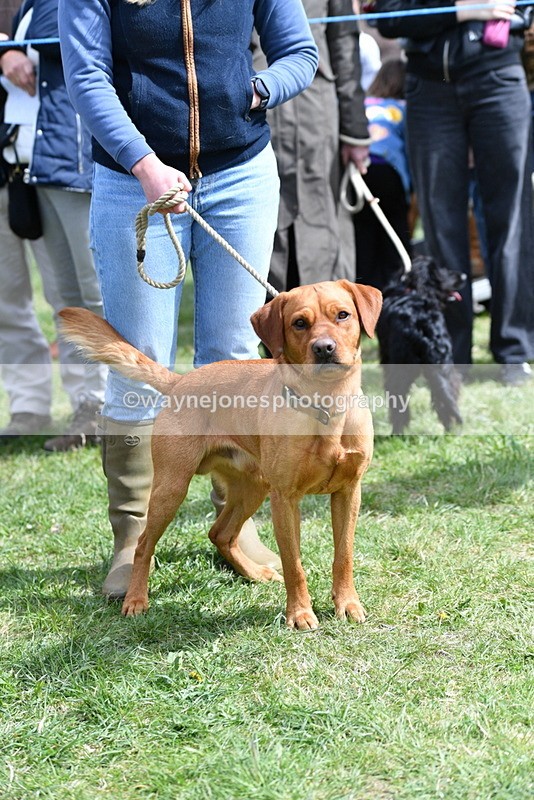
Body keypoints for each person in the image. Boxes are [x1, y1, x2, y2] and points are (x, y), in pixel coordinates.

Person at [58, 0, 319, 598]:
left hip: (242, 174)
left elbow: (301, 55)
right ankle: (131, 537)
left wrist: (254, 90)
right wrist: (143, 162)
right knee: (139, 364)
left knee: (232, 355)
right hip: (133, 182)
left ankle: (235, 519)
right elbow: (87, 75)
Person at [376, 0, 534, 384]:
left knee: (510, 218)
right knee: (441, 220)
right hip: (430, 87)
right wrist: (462, 10)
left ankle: (514, 353)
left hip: (498, 76)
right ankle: (451, 353)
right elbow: (389, 17)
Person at [0, 0, 107, 449]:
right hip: (23, 166)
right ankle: (48, 406)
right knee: (37, 298)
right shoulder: (27, 4)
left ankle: (101, 404)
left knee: (89, 293)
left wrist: (7, 49)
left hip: (70, 164)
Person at [253, 0, 371, 294]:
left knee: (322, 225)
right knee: (261, 230)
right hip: (252, 114)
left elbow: (344, 43)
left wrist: (354, 131)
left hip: (317, 116)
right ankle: (272, 329)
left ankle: (332, 327)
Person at [354, 58, 412, 290]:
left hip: (359, 171)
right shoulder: (403, 107)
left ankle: (365, 291)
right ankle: (395, 289)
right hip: (390, 172)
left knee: (363, 234)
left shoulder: (365, 103)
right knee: (395, 233)